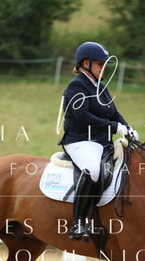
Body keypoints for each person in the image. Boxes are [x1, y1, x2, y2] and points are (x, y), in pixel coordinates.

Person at [59, 41, 138, 241]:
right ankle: (77, 223)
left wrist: (127, 128)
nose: (104, 69)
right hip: (79, 141)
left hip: (101, 143)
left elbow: (114, 114)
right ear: (86, 63)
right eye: (100, 64)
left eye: (105, 65)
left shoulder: (101, 87)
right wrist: (114, 128)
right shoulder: (76, 86)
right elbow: (83, 117)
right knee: (93, 170)